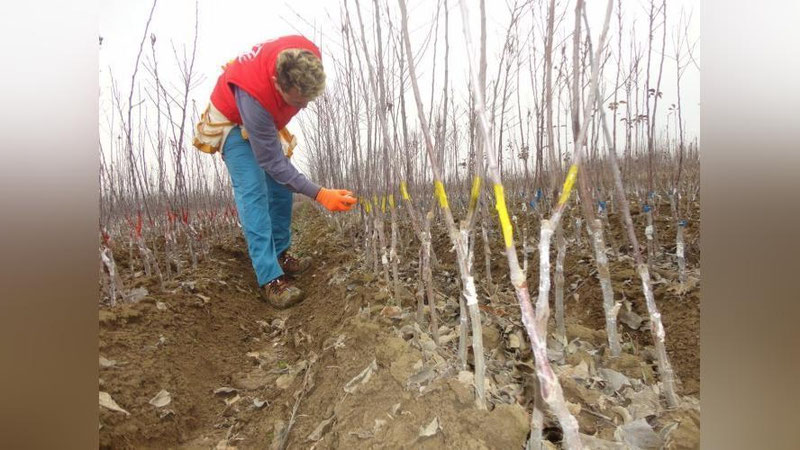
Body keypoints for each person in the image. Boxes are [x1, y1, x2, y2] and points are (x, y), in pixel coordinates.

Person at [193, 35, 356, 309]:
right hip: (232, 119)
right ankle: (270, 278)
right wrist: (319, 194)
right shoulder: (254, 98)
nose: (303, 106)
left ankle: (280, 255)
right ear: (278, 84)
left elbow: (281, 173)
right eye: (298, 101)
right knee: (253, 192)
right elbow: (274, 164)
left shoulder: (307, 55)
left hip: (264, 115)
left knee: (281, 190)